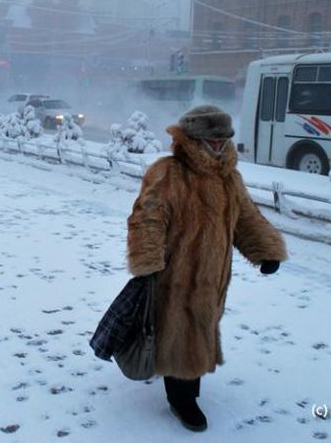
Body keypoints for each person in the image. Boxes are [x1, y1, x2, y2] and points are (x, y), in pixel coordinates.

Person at [126, 105, 288, 432]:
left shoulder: (229, 178)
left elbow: (246, 218)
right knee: (180, 331)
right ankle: (182, 399)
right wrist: (148, 261)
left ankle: (188, 386)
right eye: (209, 140)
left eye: (222, 140)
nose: (217, 146)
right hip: (175, 273)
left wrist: (266, 251)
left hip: (215, 276)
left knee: (202, 325)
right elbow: (147, 217)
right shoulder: (168, 172)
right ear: (191, 139)